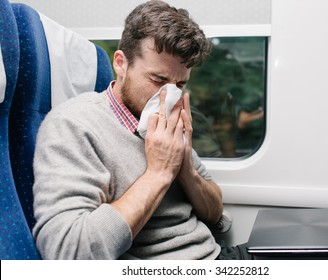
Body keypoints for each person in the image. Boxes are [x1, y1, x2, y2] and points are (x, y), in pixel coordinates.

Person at [32, 0, 252, 260]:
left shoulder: (169, 120)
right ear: (121, 63)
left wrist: (185, 169)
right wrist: (159, 173)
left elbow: (215, 212)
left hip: (216, 256)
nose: (168, 95)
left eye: (179, 84)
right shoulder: (73, 125)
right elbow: (68, 252)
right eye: (157, 80)